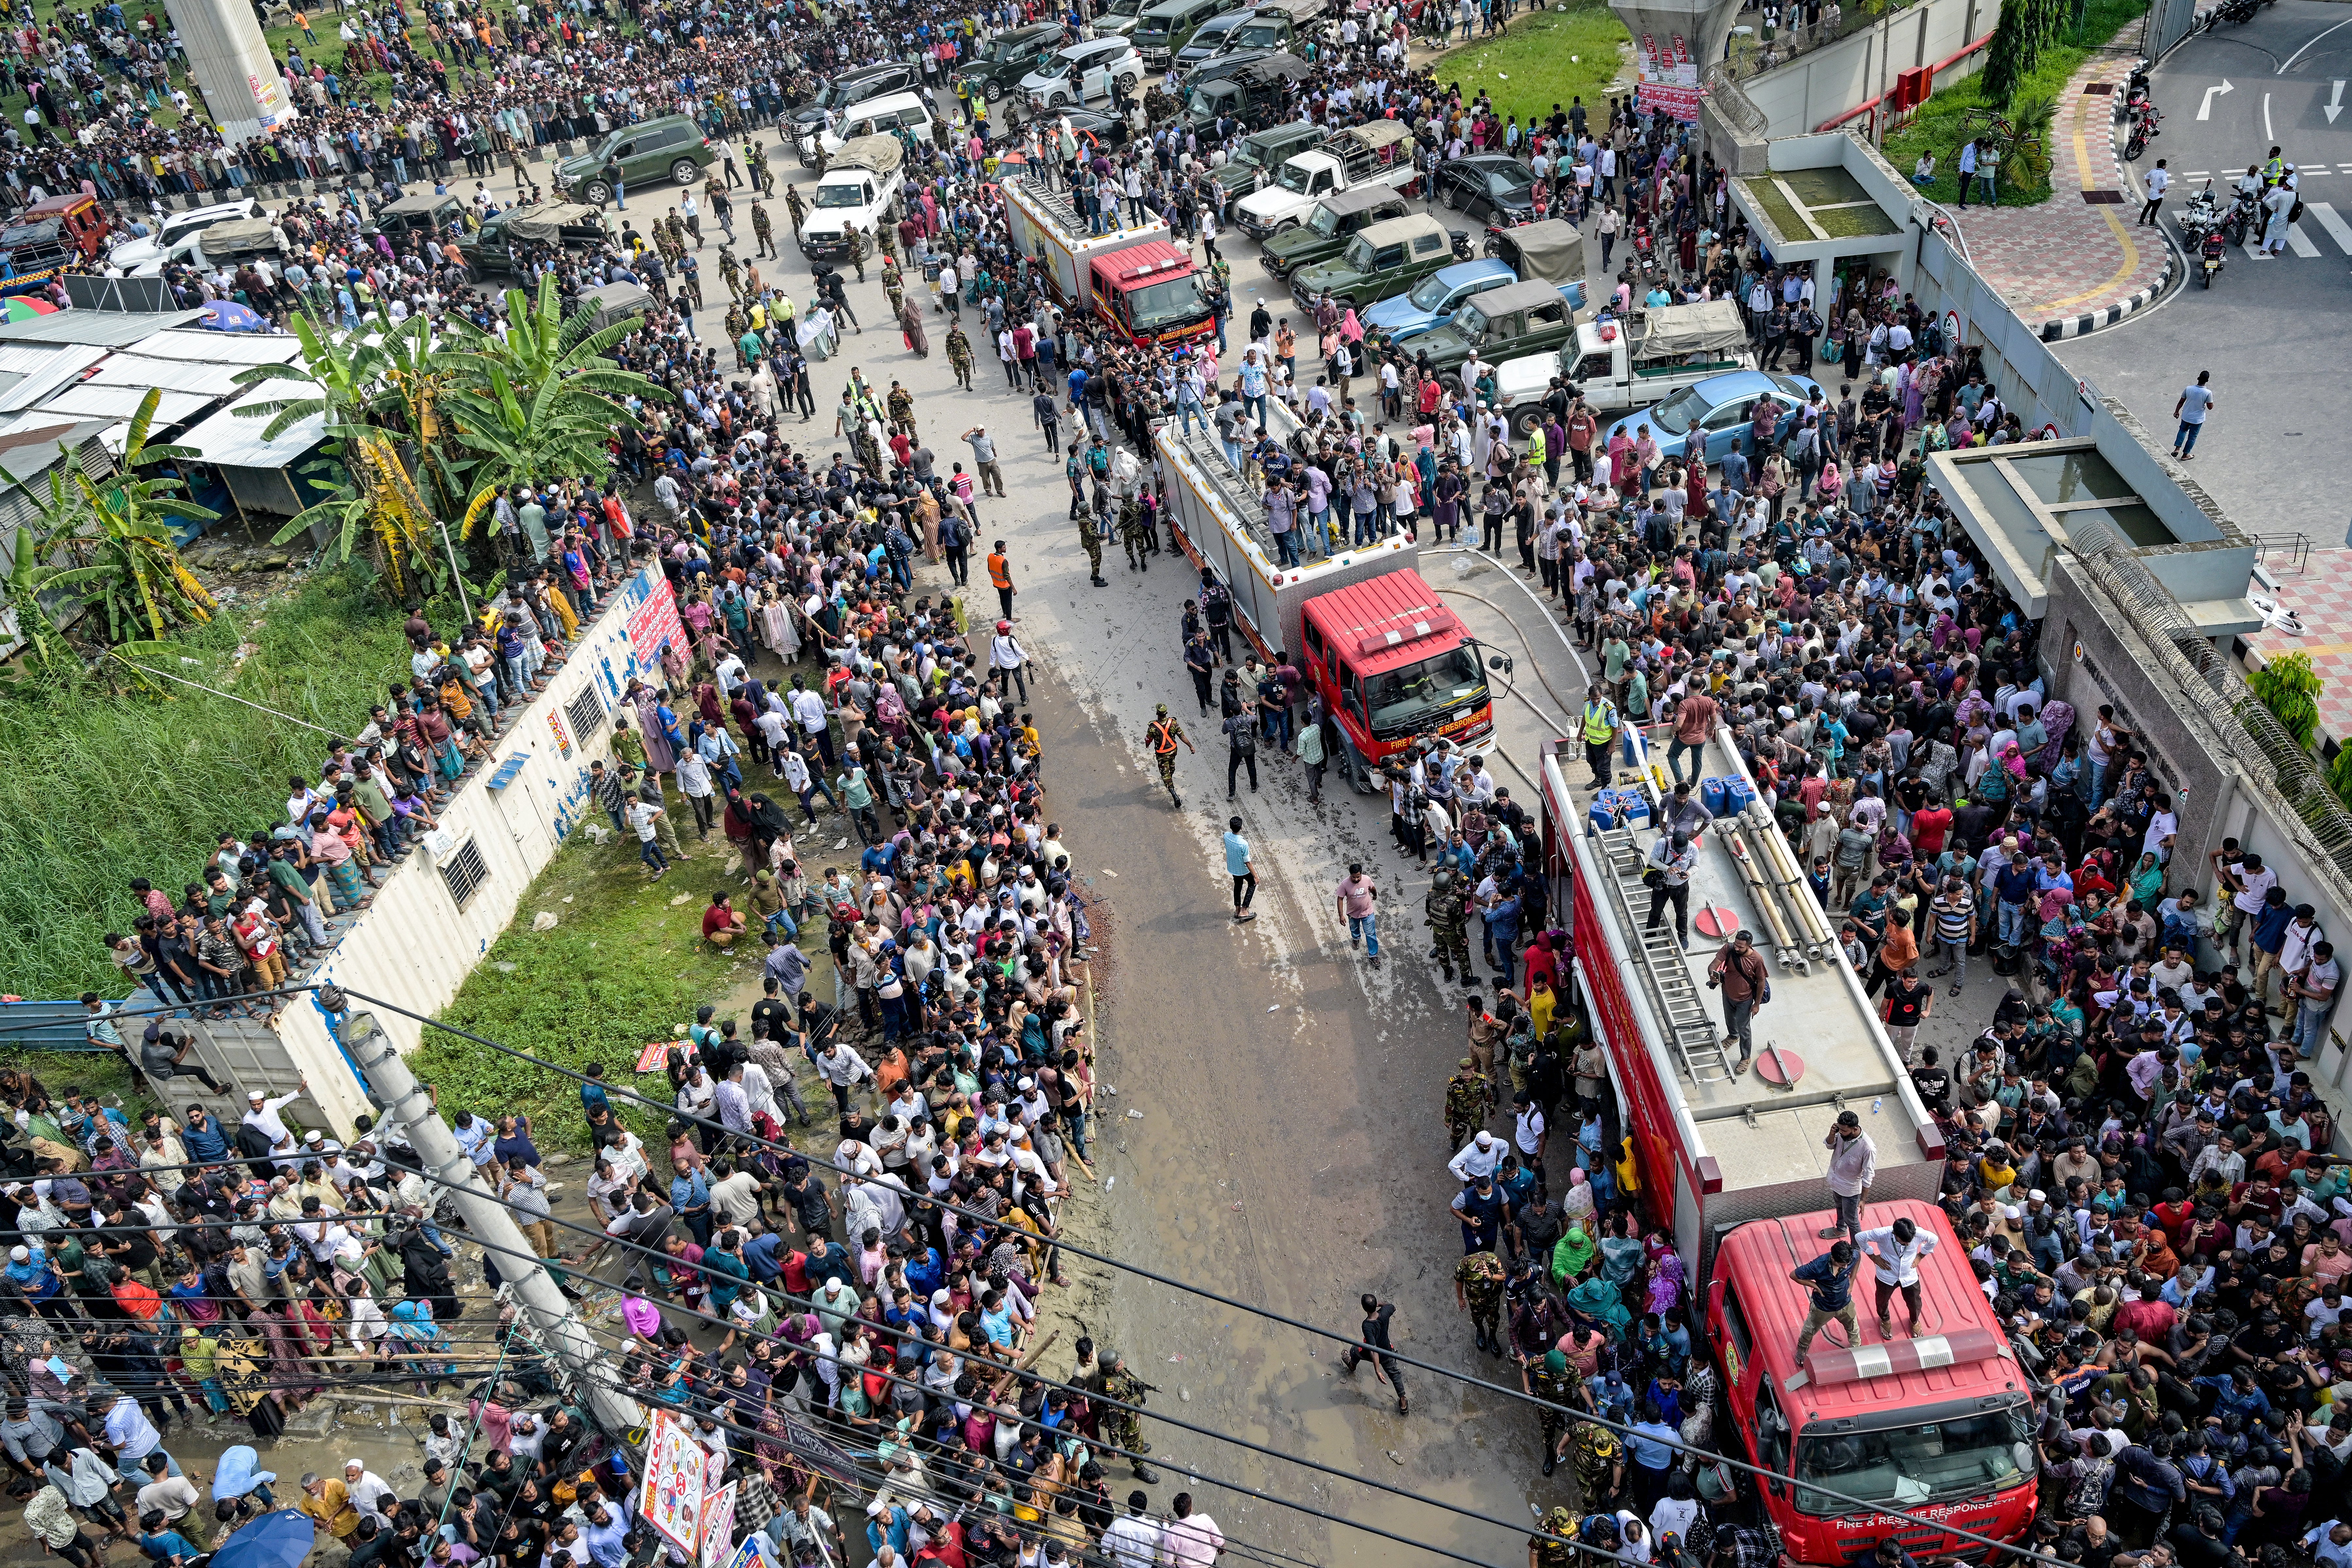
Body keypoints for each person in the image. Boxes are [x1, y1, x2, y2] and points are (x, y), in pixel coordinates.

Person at [1854, 1214, 1936, 1339]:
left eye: (1910, 1242)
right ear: (1895, 1235)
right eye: (1904, 1242)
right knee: (1882, 1301)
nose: (1908, 1245)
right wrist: (1873, 1257)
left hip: (1909, 1276)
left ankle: (1915, 1321)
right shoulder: (1882, 1234)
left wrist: (1921, 1256)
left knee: (1915, 1302)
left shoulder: (1919, 1233)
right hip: (1886, 1276)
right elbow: (1860, 1237)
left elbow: (1934, 1240)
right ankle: (1885, 1320)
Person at [1705, 928, 1768, 1072]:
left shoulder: (1757, 960)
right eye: (1736, 945)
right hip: (1727, 993)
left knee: (1744, 1030)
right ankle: (1733, 1036)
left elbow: (1761, 981)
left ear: (1750, 946)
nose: (1737, 948)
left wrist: (1757, 1004)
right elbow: (1713, 965)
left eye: (1741, 947)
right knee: (1729, 1019)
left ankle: (1746, 1058)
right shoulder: (1729, 948)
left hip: (1745, 1000)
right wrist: (1712, 975)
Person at [1790, 1238, 1859, 1363]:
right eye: (1842, 1264)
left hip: (1845, 1303)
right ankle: (1802, 1348)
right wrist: (1815, 1286)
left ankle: (1858, 1351)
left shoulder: (1851, 1256)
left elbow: (1858, 1257)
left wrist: (1852, 1280)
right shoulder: (1818, 1266)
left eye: (1847, 1264)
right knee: (1811, 1328)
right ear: (1833, 1258)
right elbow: (1794, 1275)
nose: (1846, 1267)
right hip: (1823, 1307)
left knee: (1853, 1327)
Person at [1339, 1292, 1408, 1414]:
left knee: (1354, 1351)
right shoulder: (1386, 1312)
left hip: (1372, 1353)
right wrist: (1380, 1304)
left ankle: (1352, 1365)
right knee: (1395, 1375)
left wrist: (1377, 1370)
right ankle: (1403, 1404)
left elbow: (1373, 1349)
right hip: (1387, 1351)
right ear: (1376, 1305)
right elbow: (1393, 1307)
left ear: (1365, 1309)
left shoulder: (1367, 1326)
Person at [1820, 1109, 1874, 1241]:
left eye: (1844, 1131)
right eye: (1840, 1129)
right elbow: (1830, 1145)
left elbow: (1868, 1176)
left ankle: (1857, 1249)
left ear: (1855, 1129)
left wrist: (1863, 1200)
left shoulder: (1867, 1148)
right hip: (1836, 1182)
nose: (1841, 1133)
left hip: (1850, 1190)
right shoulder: (1841, 1134)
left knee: (1853, 1221)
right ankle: (1840, 1229)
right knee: (1839, 1208)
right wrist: (1832, 1133)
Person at [1223, 817, 1258, 923]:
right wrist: (1256, 876)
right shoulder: (1244, 844)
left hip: (1233, 868)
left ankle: (1238, 910)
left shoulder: (1226, 836)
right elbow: (1248, 862)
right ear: (1241, 828)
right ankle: (1244, 911)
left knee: (1238, 885)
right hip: (1243, 870)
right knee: (1252, 883)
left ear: (1230, 827)